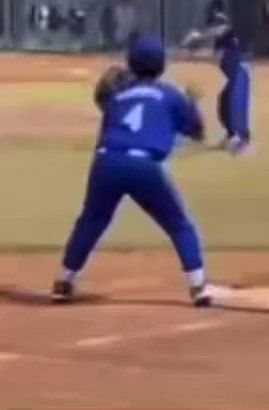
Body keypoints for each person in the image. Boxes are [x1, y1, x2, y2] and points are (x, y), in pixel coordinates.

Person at [51, 35, 212, 307]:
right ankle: (197, 285)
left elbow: (110, 131)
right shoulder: (170, 94)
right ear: (161, 64)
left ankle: (64, 280)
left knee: (91, 221)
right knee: (178, 224)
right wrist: (191, 103)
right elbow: (196, 131)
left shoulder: (118, 97)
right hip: (143, 166)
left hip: (106, 161)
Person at [215, 28, 252, 155]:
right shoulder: (229, 51)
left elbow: (233, 71)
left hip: (238, 76)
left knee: (234, 106)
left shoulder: (228, 55)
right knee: (225, 104)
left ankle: (239, 138)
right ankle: (234, 135)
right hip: (237, 76)